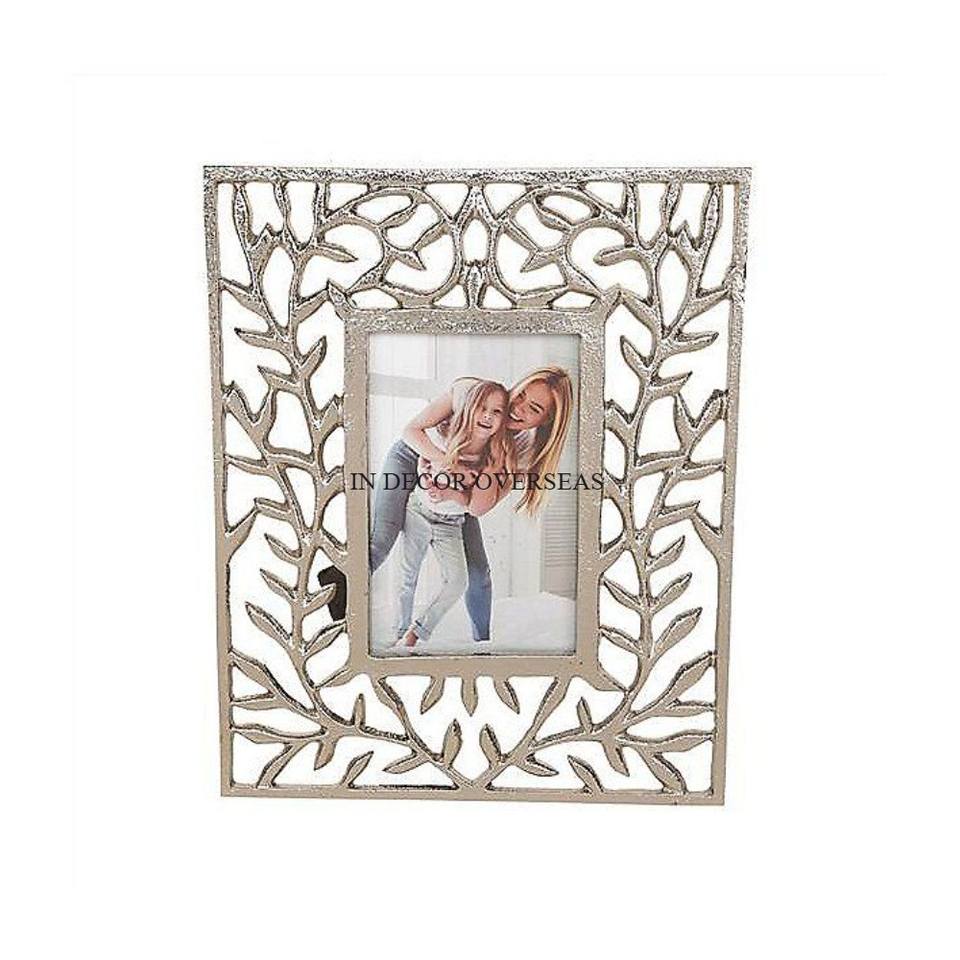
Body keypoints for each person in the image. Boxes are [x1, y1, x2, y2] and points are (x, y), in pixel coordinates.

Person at [368, 365, 574, 643]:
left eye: (534, 409)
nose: (518, 408)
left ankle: (482, 644)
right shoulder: (472, 392)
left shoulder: (521, 451)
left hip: (453, 496)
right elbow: (411, 431)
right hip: (412, 454)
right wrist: (445, 463)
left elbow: (476, 507)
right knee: (381, 541)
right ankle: (342, 594)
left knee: (477, 573)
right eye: (521, 394)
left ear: (546, 421)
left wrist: (490, 463)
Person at [392, 380, 511, 650]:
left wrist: (451, 493)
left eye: (497, 412)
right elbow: (423, 463)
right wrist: (431, 476)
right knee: (408, 575)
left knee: (458, 581)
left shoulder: (492, 458)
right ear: (468, 408)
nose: (488, 416)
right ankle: (397, 634)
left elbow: (472, 504)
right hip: (419, 511)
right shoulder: (445, 434)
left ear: (503, 420)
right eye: (482, 408)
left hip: (451, 524)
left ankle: (416, 631)